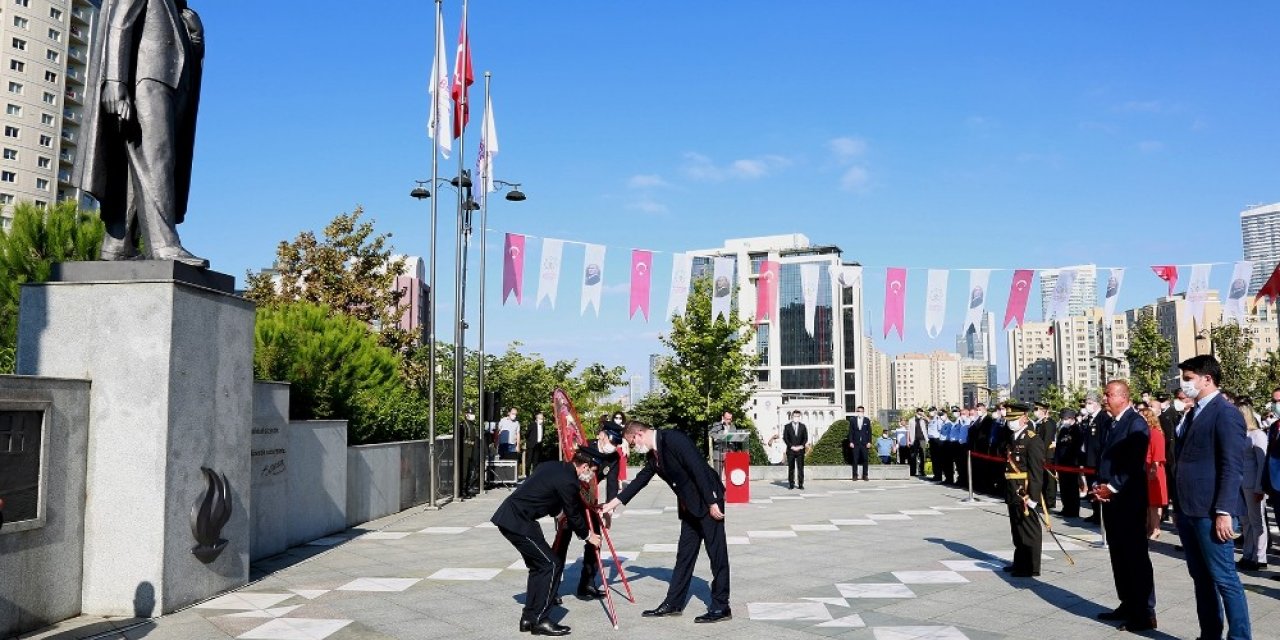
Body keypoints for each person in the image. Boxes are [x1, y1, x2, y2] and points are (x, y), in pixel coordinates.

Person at [79, 0, 208, 267]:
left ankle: (118, 243)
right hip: (147, 80)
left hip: (172, 84)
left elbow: (182, 53)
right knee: (157, 157)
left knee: (140, 162)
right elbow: (120, 22)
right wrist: (115, 82)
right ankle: (164, 243)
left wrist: (195, 36)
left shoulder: (178, 7)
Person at [602, 422, 731, 623]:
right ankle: (674, 603)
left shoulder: (673, 439)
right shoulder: (654, 454)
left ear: (639, 434)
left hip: (708, 502)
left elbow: (698, 468)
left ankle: (722, 606)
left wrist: (712, 501)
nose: (634, 448)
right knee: (684, 555)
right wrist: (615, 502)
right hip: (690, 506)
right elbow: (641, 480)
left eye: (632, 443)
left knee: (717, 553)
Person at [1174, 355, 1251, 640]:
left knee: (1225, 579)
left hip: (1211, 511)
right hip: (1188, 509)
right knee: (1201, 578)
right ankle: (1210, 634)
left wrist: (1224, 511)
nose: (1184, 384)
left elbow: (1232, 466)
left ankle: (1240, 637)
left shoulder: (1225, 412)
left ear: (1207, 379)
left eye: (1188, 378)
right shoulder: (1193, 412)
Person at [492, 450, 602, 636]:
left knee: (539, 566)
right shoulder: (570, 481)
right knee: (551, 564)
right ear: (584, 466)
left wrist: (557, 512)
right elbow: (574, 514)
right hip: (519, 522)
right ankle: (541, 620)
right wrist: (588, 535)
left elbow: (544, 490)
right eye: (592, 471)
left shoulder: (553, 465)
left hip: (513, 518)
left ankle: (528, 618)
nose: (591, 476)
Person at [1091, 381, 1156, 633]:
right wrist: (1099, 484)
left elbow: (1132, 463)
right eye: (1104, 394)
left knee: (1135, 556)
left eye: (1108, 394)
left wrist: (1113, 487)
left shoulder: (1135, 423)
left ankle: (1144, 612)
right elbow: (1104, 459)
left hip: (1128, 499)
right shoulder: (1110, 422)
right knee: (1118, 555)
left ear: (1123, 396)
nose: (1104, 398)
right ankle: (1127, 603)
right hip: (1111, 499)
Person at [553, 426, 624, 602]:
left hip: (589, 500)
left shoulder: (614, 456)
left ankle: (587, 584)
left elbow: (612, 484)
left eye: (616, 442)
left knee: (596, 539)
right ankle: (551, 589)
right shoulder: (583, 445)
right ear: (601, 435)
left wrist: (609, 510)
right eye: (610, 440)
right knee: (562, 542)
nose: (612, 445)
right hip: (570, 498)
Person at [999, 402, 1044, 578]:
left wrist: (1033, 496)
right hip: (1012, 490)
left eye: (1014, 419)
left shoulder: (1032, 439)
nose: (1011, 423)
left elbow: (1036, 472)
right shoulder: (1013, 438)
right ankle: (1020, 562)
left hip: (1024, 490)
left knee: (1029, 529)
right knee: (1017, 529)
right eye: (1008, 419)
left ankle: (1031, 566)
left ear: (1024, 418)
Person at [1238, 400, 1268, 571]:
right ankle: (1248, 553)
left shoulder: (1258, 435)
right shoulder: (1242, 435)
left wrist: (1259, 488)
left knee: (1257, 521)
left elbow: (1262, 464)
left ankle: (1260, 556)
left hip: (1252, 484)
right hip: (1241, 482)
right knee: (1246, 521)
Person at [1080, 396, 1112, 525]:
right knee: (1092, 489)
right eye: (1086, 403)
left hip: (1097, 460)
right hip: (1089, 460)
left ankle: (1102, 516)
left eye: (1090, 403)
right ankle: (1096, 513)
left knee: (1098, 487)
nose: (1087, 405)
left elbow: (1103, 441)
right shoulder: (1090, 419)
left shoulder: (1103, 418)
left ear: (1098, 404)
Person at [1141, 408, 1168, 541]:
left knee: (1155, 502)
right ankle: (1149, 527)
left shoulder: (1155, 433)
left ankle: (1156, 528)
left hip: (1154, 469)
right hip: (1146, 469)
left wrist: (1153, 469)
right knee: (1149, 503)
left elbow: (1158, 454)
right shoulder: (1144, 433)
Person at [1054, 409, 1082, 518]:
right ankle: (1066, 508)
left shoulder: (1076, 430)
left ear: (1071, 418)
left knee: (1072, 488)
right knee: (1064, 487)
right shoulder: (1063, 430)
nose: (1063, 421)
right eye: (1062, 419)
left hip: (1071, 463)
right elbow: (1059, 447)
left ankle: (1073, 510)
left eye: (1065, 419)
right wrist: (1056, 462)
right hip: (1062, 463)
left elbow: (1077, 448)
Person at [1032, 402, 1058, 510]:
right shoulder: (1041, 423)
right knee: (1043, 479)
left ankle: (1050, 501)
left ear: (1044, 411)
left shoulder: (1048, 423)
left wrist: (1041, 454)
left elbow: (1046, 441)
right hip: (1042, 454)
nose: (1035, 411)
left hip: (1048, 455)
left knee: (1050, 480)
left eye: (1037, 409)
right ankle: (1043, 500)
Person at [783, 410, 809, 490]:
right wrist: (791, 446)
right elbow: (785, 438)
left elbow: (805, 438)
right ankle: (791, 484)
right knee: (791, 468)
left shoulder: (803, 426)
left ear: (800, 417)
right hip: (791, 450)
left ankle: (800, 484)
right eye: (795, 416)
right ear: (791, 417)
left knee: (800, 468)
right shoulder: (787, 426)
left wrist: (801, 446)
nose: (796, 418)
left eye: (798, 416)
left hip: (800, 450)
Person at [847, 407, 872, 481]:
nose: (860, 412)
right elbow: (850, 432)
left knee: (865, 459)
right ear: (856, 411)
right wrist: (851, 441)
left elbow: (869, 432)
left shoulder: (867, 420)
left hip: (864, 443)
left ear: (863, 412)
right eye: (858, 411)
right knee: (855, 459)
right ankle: (855, 475)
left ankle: (865, 475)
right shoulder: (853, 420)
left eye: (861, 411)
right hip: (855, 443)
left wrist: (869, 442)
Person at [708, 411, 734, 477]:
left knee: (730, 476)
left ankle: (728, 488)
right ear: (722, 417)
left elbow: (735, 436)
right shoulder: (717, 425)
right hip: (718, 454)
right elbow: (711, 433)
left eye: (730, 419)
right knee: (717, 476)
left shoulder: (733, 426)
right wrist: (720, 436)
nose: (729, 420)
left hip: (729, 454)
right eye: (727, 418)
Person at [907, 409, 929, 477]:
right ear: (916, 412)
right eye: (918, 412)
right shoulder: (911, 420)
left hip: (922, 439)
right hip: (914, 440)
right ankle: (913, 472)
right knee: (913, 456)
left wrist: (923, 415)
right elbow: (908, 431)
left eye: (921, 412)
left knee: (923, 456)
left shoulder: (923, 420)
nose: (919, 413)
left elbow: (929, 421)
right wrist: (908, 440)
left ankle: (922, 471)